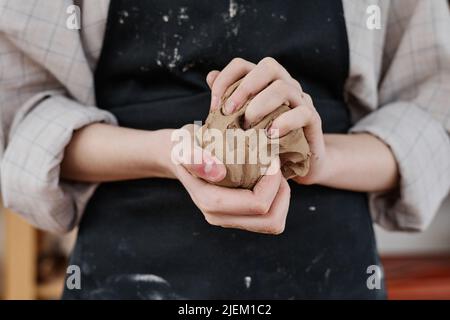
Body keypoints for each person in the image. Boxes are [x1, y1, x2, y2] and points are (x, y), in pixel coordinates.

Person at [0, 0, 449, 299]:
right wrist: (169, 150)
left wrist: (317, 156)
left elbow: (430, 122)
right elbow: (23, 119)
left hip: (328, 267)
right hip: (129, 266)